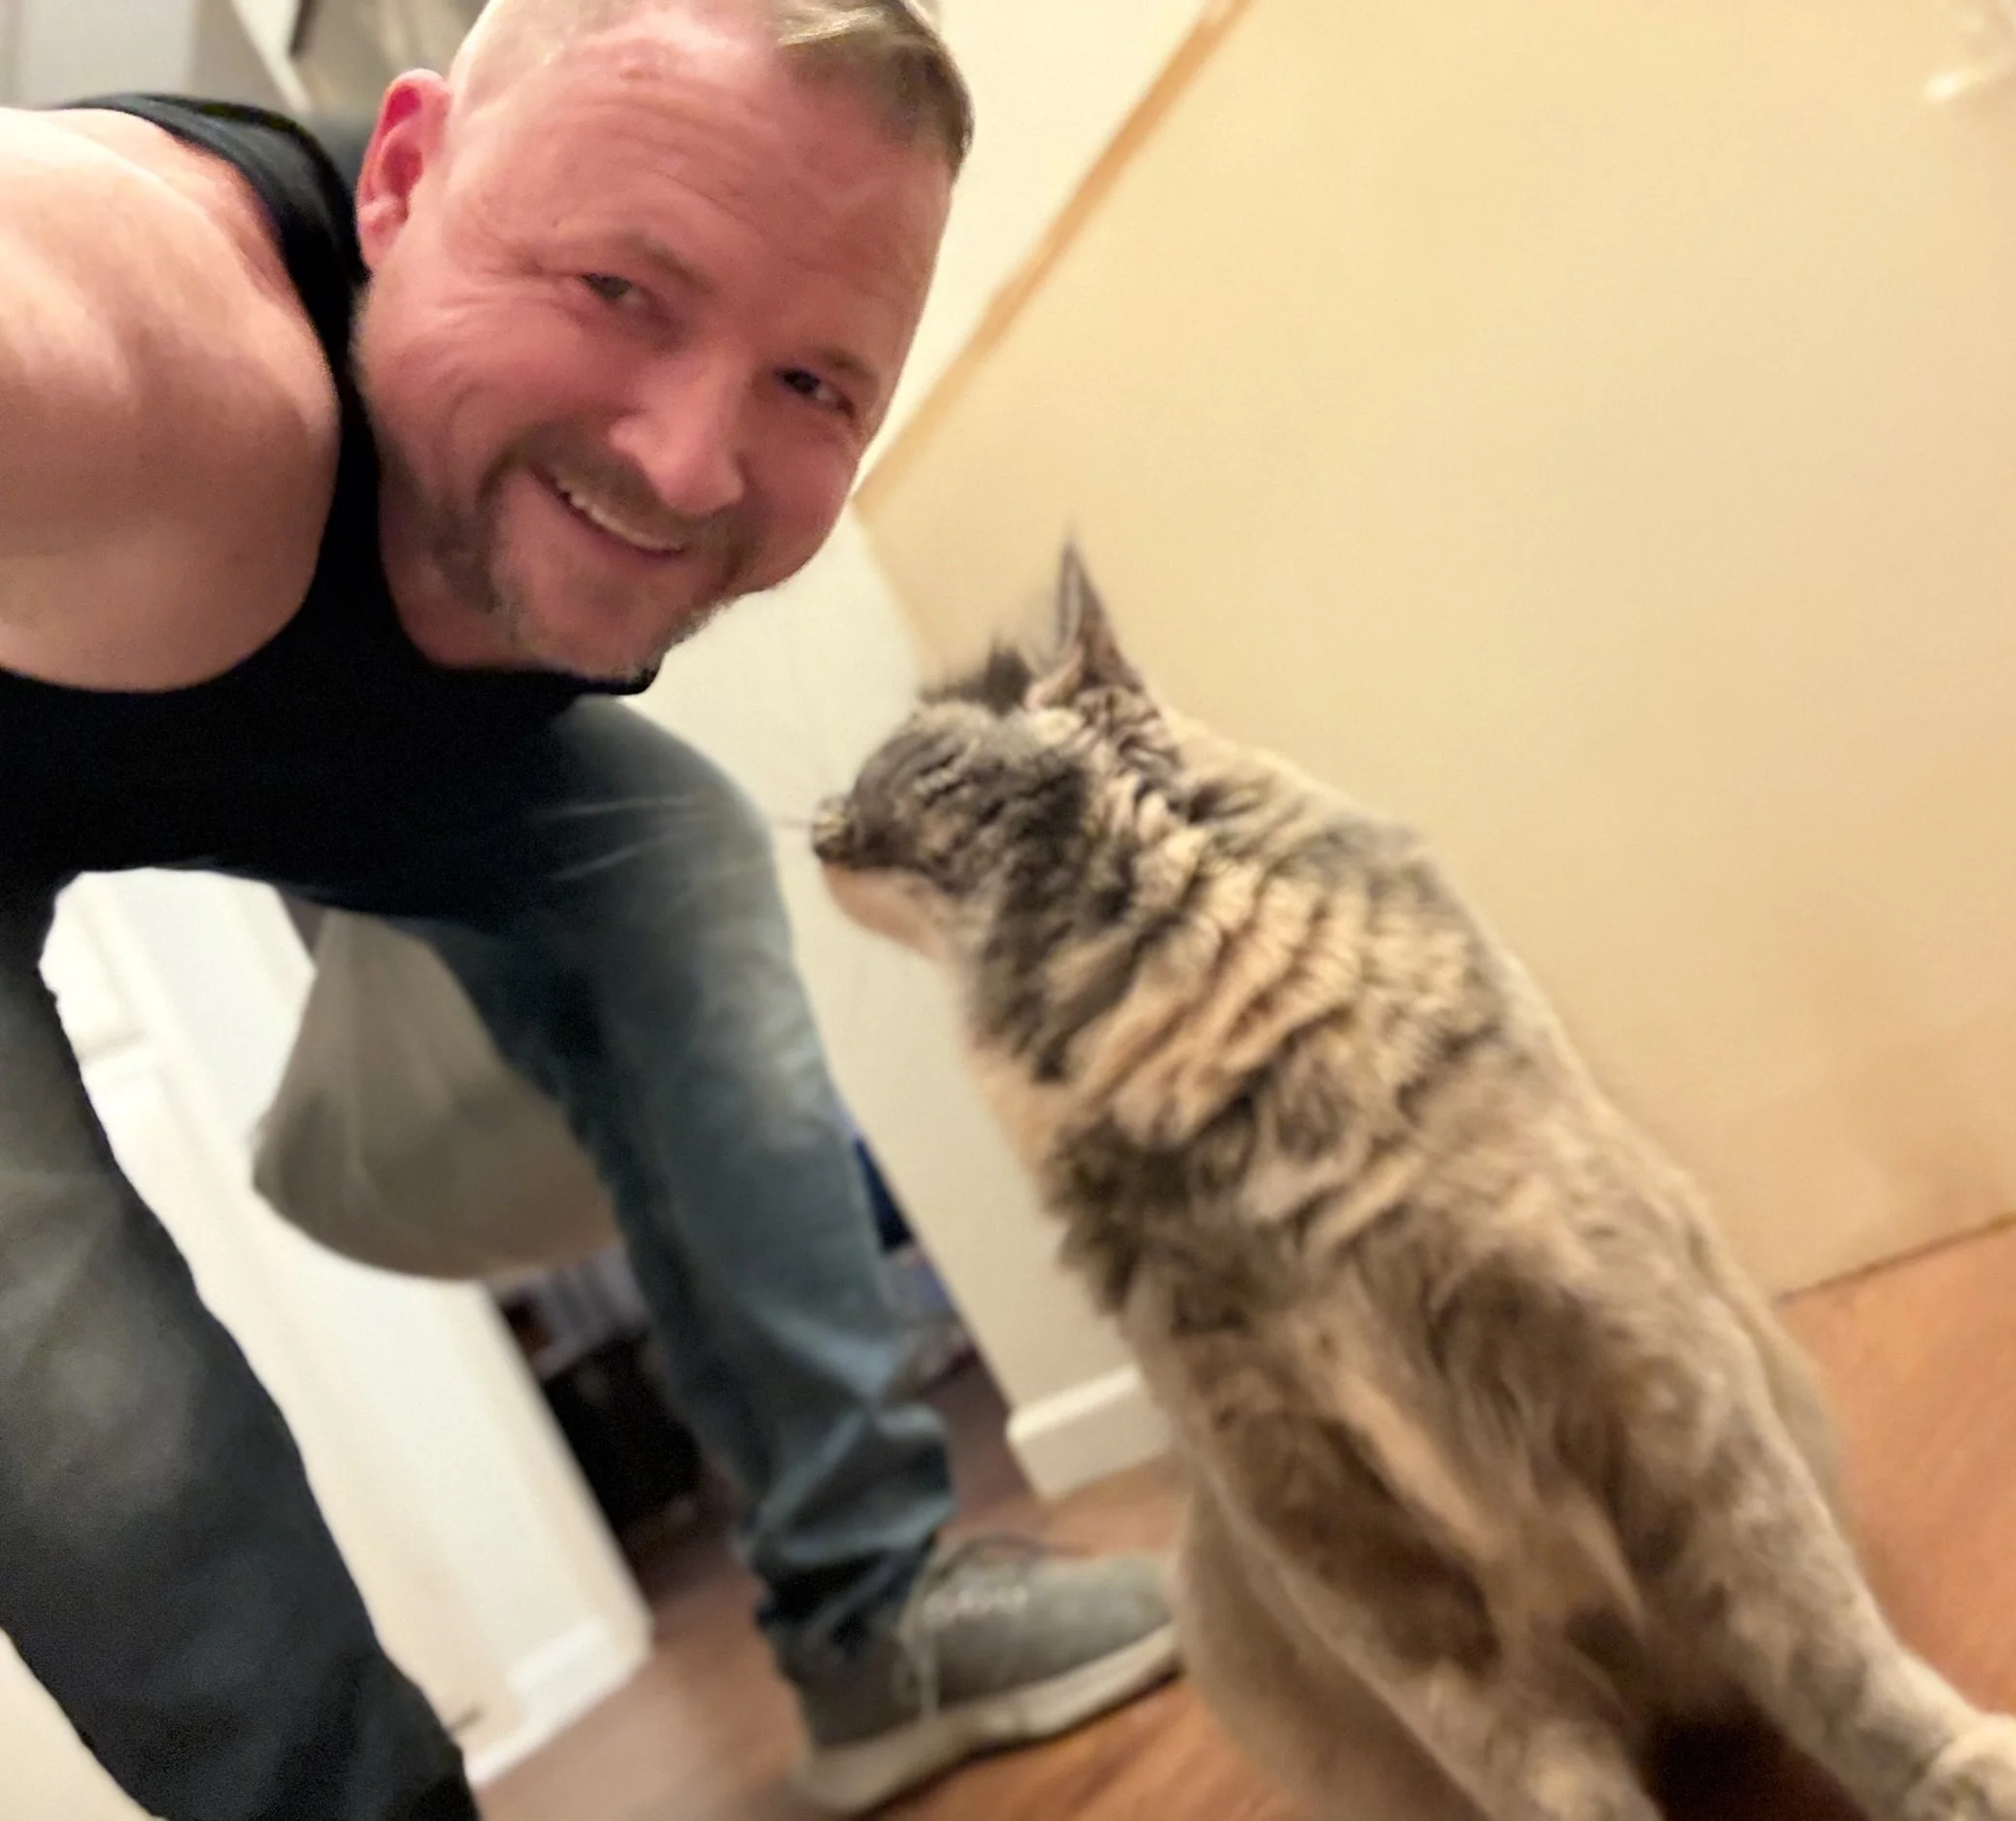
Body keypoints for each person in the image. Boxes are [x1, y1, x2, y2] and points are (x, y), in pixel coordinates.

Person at [0, 4, 1178, 1817]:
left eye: (816, 386)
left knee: (667, 849)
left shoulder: (556, 468)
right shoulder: (156, 336)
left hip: (307, 744)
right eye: (621, 288)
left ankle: (876, 1614)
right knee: (61, 1342)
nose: (693, 465)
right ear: (401, 180)